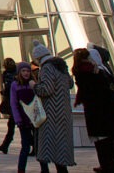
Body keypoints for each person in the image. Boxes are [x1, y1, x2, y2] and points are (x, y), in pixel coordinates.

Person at [31, 40, 75, 173]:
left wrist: (34, 86)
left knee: (51, 147)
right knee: (60, 147)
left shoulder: (47, 68)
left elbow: (46, 89)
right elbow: (70, 84)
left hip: (52, 113)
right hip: (64, 111)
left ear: (38, 58)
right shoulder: (61, 66)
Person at [10, 61, 38, 173]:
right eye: (23, 71)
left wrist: (34, 86)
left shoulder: (33, 83)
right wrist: (18, 119)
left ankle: (44, 169)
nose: (26, 73)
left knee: (39, 146)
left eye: (28, 71)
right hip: (23, 119)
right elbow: (14, 103)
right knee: (25, 146)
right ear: (19, 72)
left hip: (35, 119)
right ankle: (21, 169)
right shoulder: (15, 84)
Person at [0, 57, 18, 153]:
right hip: (13, 101)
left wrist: (5, 93)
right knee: (12, 125)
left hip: (14, 102)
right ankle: (5, 145)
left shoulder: (9, 75)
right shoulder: (12, 73)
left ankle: (6, 145)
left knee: (14, 125)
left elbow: (9, 87)